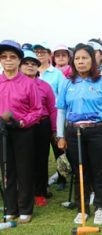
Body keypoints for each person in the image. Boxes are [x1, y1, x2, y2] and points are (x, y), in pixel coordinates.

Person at [56, 43, 102, 225]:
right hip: (73, 132)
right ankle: (82, 208)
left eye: (85, 58)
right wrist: (60, 136)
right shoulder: (67, 83)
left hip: (98, 130)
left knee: (99, 170)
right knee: (79, 171)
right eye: (77, 58)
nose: (81, 62)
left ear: (93, 60)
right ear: (72, 61)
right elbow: (61, 110)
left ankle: (101, 207)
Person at [0, 40, 42, 223]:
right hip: (2, 131)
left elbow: (37, 109)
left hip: (23, 130)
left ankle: (25, 208)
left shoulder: (28, 83)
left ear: (19, 61)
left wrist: (24, 122)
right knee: (7, 171)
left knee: (24, 171)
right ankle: (11, 208)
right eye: (4, 57)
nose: (8, 60)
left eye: (12, 57)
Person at [20, 50, 56, 207]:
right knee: (24, 160)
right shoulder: (16, 84)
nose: (30, 66)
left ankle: (40, 192)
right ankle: (24, 192)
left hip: (42, 124)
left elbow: (53, 108)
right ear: (20, 66)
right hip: (22, 125)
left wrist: (55, 130)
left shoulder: (44, 86)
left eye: (33, 64)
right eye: (26, 63)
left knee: (41, 159)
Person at [33, 42, 67, 191]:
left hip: (54, 115)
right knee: (40, 152)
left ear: (49, 55)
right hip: (36, 117)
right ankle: (42, 182)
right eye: (37, 52)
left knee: (58, 149)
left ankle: (62, 177)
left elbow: (62, 95)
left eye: (43, 52)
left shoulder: (57, 74)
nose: (40, 54)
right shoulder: (32, 70)